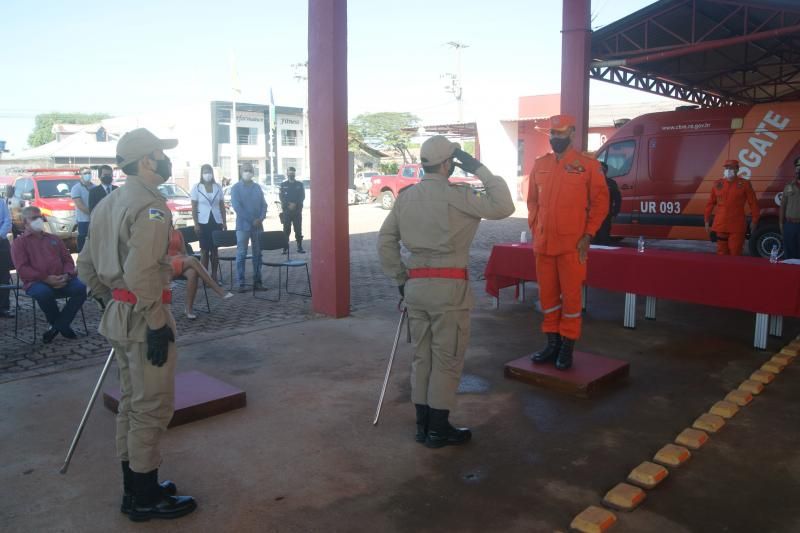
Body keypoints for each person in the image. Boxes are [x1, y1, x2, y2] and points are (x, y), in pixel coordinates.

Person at [76, 128, 196, 521]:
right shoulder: (151, 207)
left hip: (120, 315)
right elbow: (143, 271)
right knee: (151, 408)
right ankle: (145, 500)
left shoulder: (108, 203)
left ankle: (137, 488)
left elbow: (86, 266)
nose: (166, 160)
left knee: (131, 404)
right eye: (161, 153)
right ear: (147, 160)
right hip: (145, 319)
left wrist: (110, 301)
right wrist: (157, 321)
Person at [378, 136, 514, 449]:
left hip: (415, 289)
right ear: (447, 163)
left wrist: (400, 278)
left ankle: (422, 426)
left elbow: (385, 241)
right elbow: (504, 205)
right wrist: (478, 168)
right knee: (446, 360)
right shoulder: (460, 196)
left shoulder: (406, 197)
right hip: (448, 293)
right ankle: (438, 430)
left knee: (422, 357)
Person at [527, 114, 609, 371]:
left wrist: (588, 234)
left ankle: (567, 346)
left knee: (572, 298)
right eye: (552, 134)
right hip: (544, 245)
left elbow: (600, 202)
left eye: (560, 134)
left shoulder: (588, 165)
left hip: (573, 246)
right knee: (547, 296)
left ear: (571, 134)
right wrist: (535, 226)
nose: (555, 139)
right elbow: (532, 202)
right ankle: (551, 343)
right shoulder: (541, 164)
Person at [11, 206, 87, 342]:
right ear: (25, 222)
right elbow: (22, 269)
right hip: (37, 282)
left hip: (62, 279)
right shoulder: (19, 243)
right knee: (43, 293)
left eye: (40, 217)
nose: (39, 220)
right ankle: (62, 326)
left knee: (81, 288)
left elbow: (68, 260)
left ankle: (57, 326)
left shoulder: (54, 239)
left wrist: (67, 275)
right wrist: (46, 279)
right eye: (34, 218)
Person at [167, 224, 233, 319]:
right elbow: (159, 255)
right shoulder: (159, 234)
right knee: (193, 260)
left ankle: (188, 309)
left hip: (180, 261)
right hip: (167, 265)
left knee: (193, 272)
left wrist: (181, 257)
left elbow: (184, 252)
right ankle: (217, 289)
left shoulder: (178, 233)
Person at [704, 159, 760, 256]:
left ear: (737, 170)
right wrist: (706, 220)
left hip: (736, 226)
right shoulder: (717, 184)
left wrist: (755, 220)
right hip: (721, 225)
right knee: (721, 253)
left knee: (735, 252)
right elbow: (710, 203)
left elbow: (753, 203)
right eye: (726, 168)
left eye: (731, 168)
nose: (728, 170)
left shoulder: (744, 184)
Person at [230, 163, 267, 292]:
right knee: (241, 254)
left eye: (250, 170)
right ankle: (241, 283)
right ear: (241, 172)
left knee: (258, 254)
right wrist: (252, 220)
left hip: (258, 227)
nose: (248, 172)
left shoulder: (257, 187)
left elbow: (264, 205)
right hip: (242, 227)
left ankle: (258, 281)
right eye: (246, 170)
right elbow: (237, 207)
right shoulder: (235, 188)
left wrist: (260, 218)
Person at [191, 164, 226, 279]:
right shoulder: (196, 187)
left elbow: (221, 206)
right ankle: (205, 276)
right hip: (202, 222)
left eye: (209, 171)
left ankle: (214, 275)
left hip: (216, 221)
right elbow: (194, 207)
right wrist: (196, 224)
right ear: (201, 173)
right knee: (204, 250)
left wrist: (224, 222)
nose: (208, 174)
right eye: (205, 172)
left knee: (215, 250)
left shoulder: (218, 187)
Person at [279, 166, 306, 254]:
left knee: (298, 229)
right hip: (287, 211)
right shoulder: (283, 185)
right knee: (286, 230)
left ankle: (299, 246)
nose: (291, 174)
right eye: (290, 172)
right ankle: (285, 247)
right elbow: (281, 197)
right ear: (287, 173)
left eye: (293, 173)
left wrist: (295, 204)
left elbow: (302, 196)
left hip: (297, 211)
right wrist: (288, 204)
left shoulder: (299, 184)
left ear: (295, 174)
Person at [593, 162, 621, 244]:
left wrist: (615, 213)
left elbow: (618, 199)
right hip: (592, 216)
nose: (601, 171)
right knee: (592, 240)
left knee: (604, 239)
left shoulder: (611, 183)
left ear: (606, 171)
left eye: (603, 169)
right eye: (599, 169)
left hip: (606, 216)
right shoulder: (591, 182)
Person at [780, 157, 800, 260]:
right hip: (790, 225)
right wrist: (781, 223)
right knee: (789, 255)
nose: (799, 169)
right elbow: (783, 205)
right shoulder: (789, 186)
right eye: (797, 167)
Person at [71, 167, 94, 251]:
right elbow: (80, 205)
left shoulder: (95, 187)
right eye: (85, 173)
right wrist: (94, 213)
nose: (88, 175)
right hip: (83, 221)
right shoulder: (76, 188)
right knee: (83, 243)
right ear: (80, 175)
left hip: (95, 220)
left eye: (89, 173)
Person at [0, 199, 14, 318]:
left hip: (1, 241)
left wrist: (0, 235)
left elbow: (7, 221)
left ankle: (3, 308)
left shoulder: (1, 202)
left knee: (3, 276)